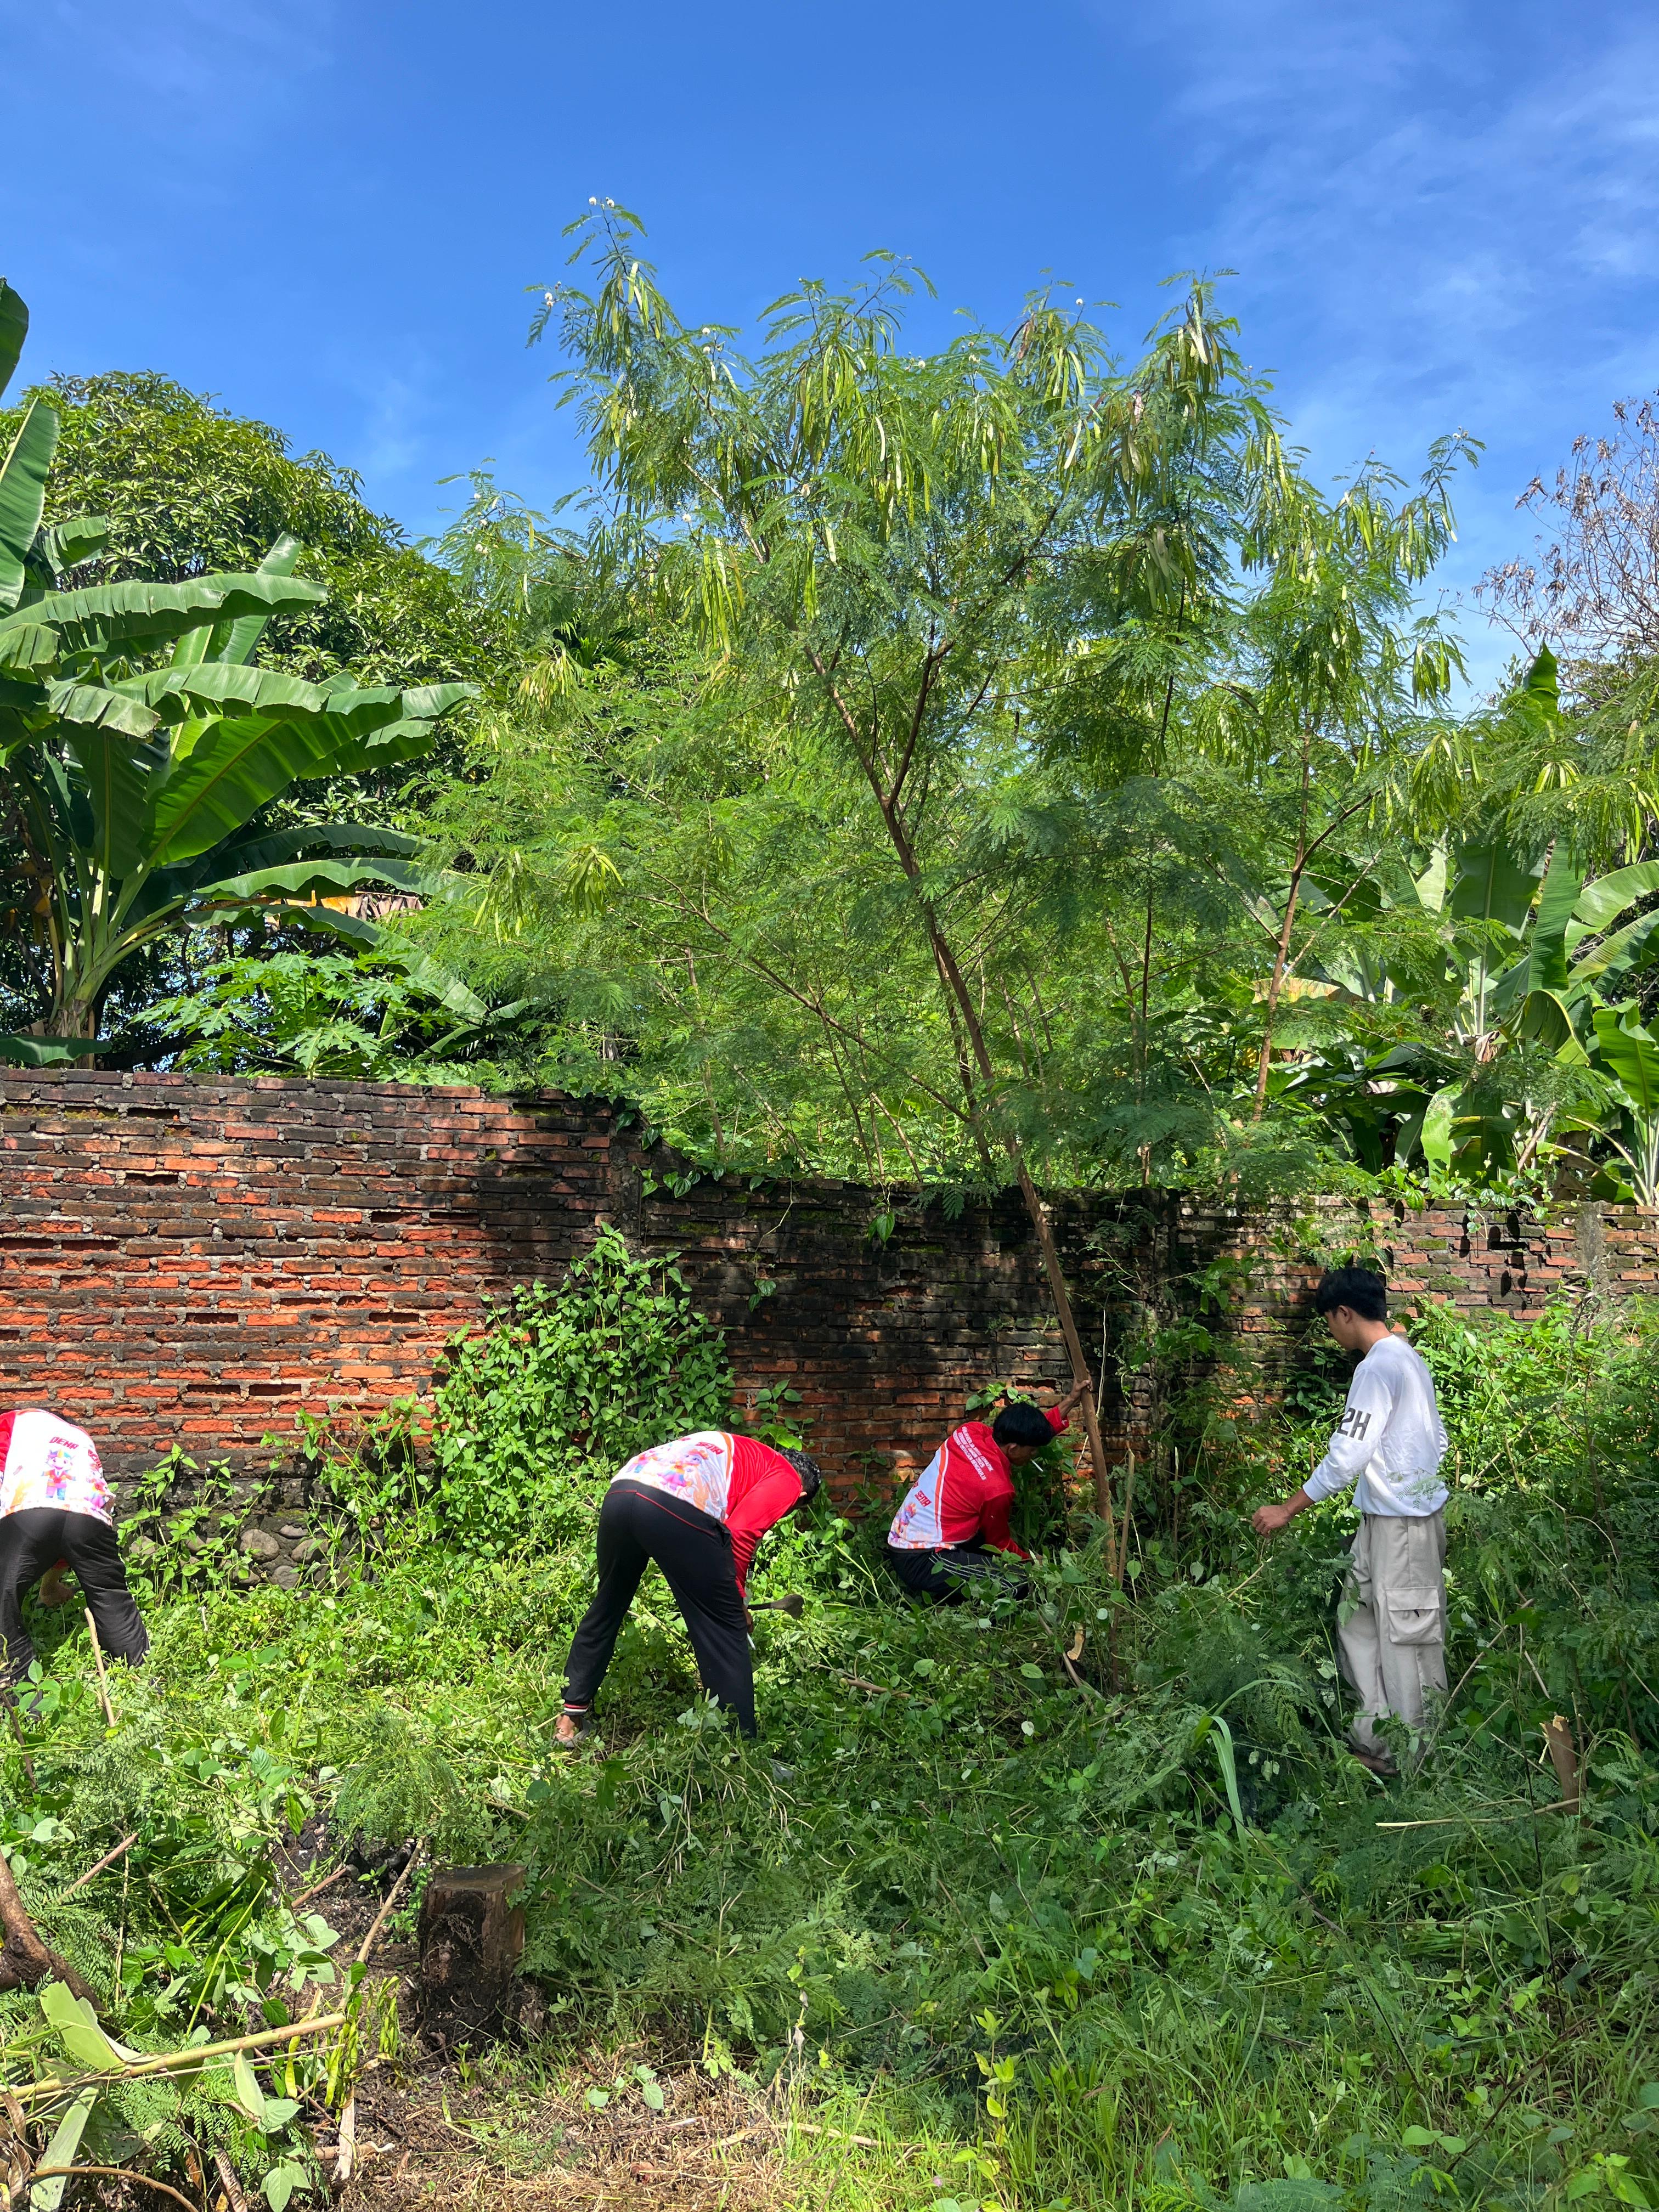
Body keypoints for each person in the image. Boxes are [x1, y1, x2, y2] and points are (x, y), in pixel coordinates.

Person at [1251, 1266, 1449, 1776]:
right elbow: (1438, 1439)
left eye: (1330, 1322)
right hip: (1382, 1523)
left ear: (1344, 1313)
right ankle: (1376, 1744)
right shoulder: (1408, 1360)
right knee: (1358, 1623)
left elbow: (1346, 1458)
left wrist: (1287, 1509)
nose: (1332, 1333)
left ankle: (1418, 1762)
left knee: (1407, 1640)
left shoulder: (1378, 1367)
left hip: (1404, 1529)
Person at [556, 1431, 823, 1743]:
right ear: (801, 1497)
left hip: (622, 1492)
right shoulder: (788, 1478)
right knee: (724, 1632)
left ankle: (568, 1723)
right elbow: (740, 1533)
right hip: (673, 1506)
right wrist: (737, 1604)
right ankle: (738, 1753)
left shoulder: (741, 1453)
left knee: (608, 1605)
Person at [886, 1379, 1092, 1604]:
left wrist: (1071, 1400)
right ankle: (963, 1618)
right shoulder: (997, 1488)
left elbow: (1026, 1433)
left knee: (985, 1545)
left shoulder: (970, 1432)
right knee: (1017, 1582)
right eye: (1032, 1450)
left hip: (905, 1536)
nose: (1033, 1455)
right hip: (922, 1559)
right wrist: (1032, 1561)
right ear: (1013, 1449)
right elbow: (999, 1545)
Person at [0, 1406, 149, 1689]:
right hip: (90, 1517)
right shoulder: (79, 1437)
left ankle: (27, 1706)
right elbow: (62, 1528)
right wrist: (50, 1585)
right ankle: (147, 1687)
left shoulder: (11, 1421)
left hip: (31, 1509)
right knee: (111, 1596)